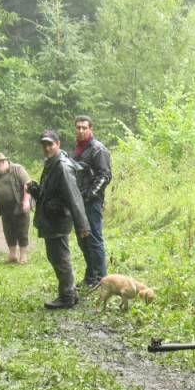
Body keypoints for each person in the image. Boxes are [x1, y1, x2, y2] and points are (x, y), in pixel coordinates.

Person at [28, 130, 89, 309]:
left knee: (60, 258)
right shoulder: (51, 163)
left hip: (58, 219)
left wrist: (82, 225)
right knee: (55, 256)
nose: (47, 148)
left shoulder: (62, 166)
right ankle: (70, 292)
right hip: (51, 217)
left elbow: (73, 196)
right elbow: (52, 193)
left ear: (58, 144)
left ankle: (67, 296)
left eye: (50, 144)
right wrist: (36, 191)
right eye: (44, 144)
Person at [71, 114, 112, 289]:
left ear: (90, 129)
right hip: (78, 201)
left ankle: (101, 279)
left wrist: (89, 195)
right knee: (83, 240)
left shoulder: (98, 149)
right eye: (78, 127)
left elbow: (105, 176)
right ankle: (90, 276)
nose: (81, 130)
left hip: (91, 202)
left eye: (84, 128)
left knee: (94, 239)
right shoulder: (78, 149)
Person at [0, 152, 31, 264]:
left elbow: (27, 184)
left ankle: (23, 256)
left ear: (3, 162)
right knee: (9, 232)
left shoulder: (18, 169)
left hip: (19, 206)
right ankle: (12, 256)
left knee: (22, 231)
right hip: (5, 209)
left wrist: (26, 200)